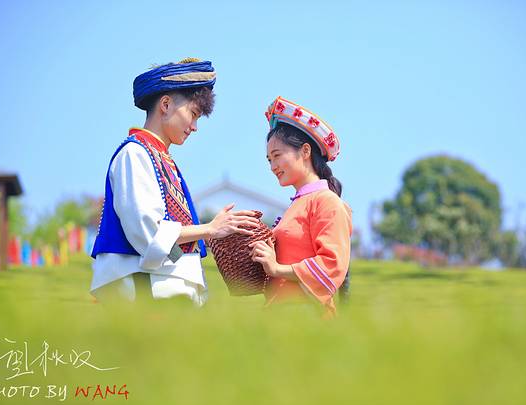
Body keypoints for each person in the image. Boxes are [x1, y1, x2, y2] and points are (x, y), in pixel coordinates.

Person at [90, 58, 258, 306]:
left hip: (161, 287)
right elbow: (149, 234)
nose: (195, 127)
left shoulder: (161, 159)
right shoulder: (134, 153)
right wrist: (209, 229)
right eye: (193, 114)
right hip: (144, 289)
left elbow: (163, 245)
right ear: (166, 105)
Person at [250, 97, 352, 316]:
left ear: (305, 151)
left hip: (308, 316)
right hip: (281, 314)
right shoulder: (297, 205)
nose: (273, 166)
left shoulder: (327, 201)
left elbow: (332, 264)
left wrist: (277, 269)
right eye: (269, 160)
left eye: (277, 156)